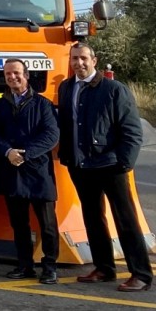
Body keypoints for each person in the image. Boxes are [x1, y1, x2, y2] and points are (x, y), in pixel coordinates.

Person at [59, 43, 152, 292]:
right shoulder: (67, 88)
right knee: (93, 218)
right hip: (81, 166)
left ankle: (141, 274)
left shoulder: (113, 89)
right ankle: (104, 268)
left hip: (111, 166)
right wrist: (68, 157)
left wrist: (124, 162)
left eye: (83, 58)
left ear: (94, 60)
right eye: (75, 58)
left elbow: (132, 131)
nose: (79, 63)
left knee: (126, 221)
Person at [0, 58, 59, 284]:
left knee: (47, 224)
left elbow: (51, 136)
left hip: (39, 173)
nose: (12, 77)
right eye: (8, 74)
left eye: (17, 73)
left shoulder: (43, 104)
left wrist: (25, 154)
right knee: (19, 224)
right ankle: (25, 265)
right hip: (12, 171)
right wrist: (8, 151)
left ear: (27, 75)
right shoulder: (0, 105)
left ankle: (49, 267)